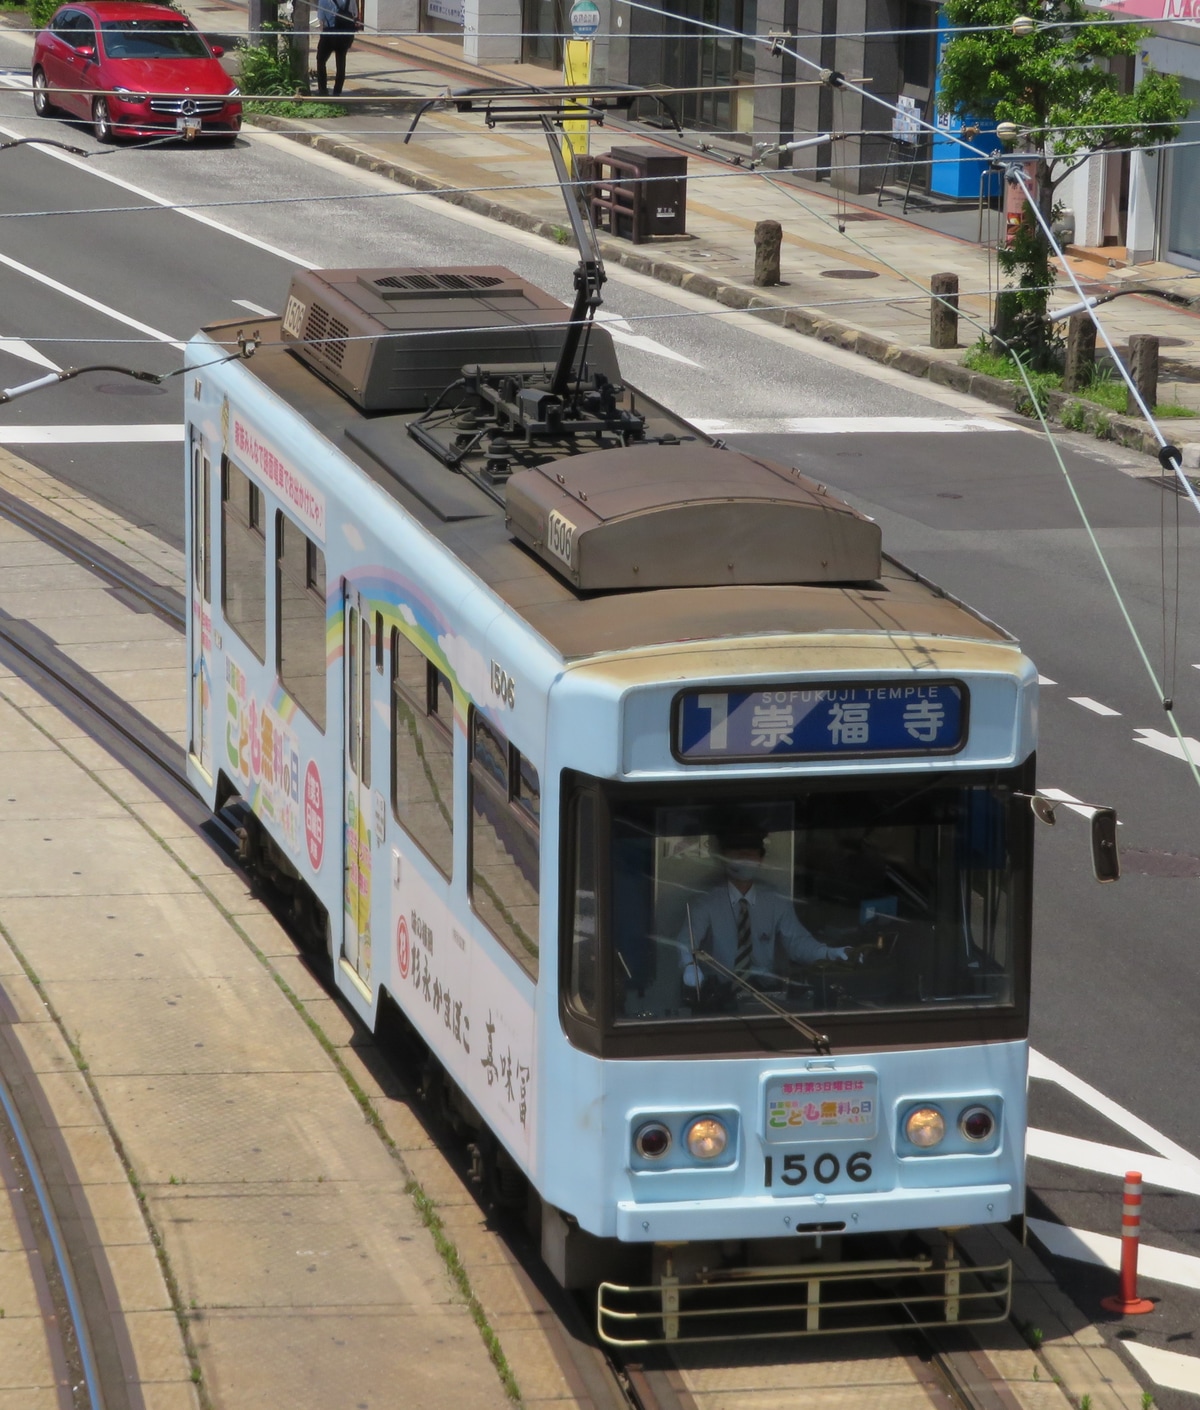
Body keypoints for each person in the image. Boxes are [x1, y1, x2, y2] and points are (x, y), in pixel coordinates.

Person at [679, 822, 849, 998]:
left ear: (760, 860)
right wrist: (689, 965)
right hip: (719, 994)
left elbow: (798, 943)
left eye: (750, 855)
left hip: (767, 995)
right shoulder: (706, 902)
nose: (744, 860)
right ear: (724, 857)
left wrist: (828, 953)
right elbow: (686, 942)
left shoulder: (775, 901)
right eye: (737, 855)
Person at [316, 0, 360, 98]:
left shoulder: (324, 0)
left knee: (321, 60)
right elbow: (355, 15)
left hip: (329, 32)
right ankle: (337, 91)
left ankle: (322, 89)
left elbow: (321, 19)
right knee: (341, 62)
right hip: (345, 34)